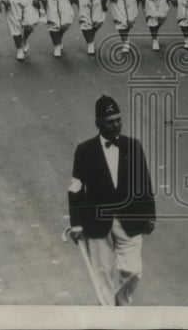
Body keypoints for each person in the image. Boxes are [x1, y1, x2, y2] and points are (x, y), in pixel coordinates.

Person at [66, 95, 156, 306]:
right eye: (110, 121)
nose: (116, 125)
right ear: (98, 123)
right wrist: (76, 224)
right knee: (102, 274)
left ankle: (121, 302)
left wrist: (150, 215)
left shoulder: (133, 146)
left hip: (131, 219)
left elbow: (144, 182)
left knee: (133, 271)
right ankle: (110, 317)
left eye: (118, 120)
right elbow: (76, 188)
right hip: (96, 223)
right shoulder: (85, 150)